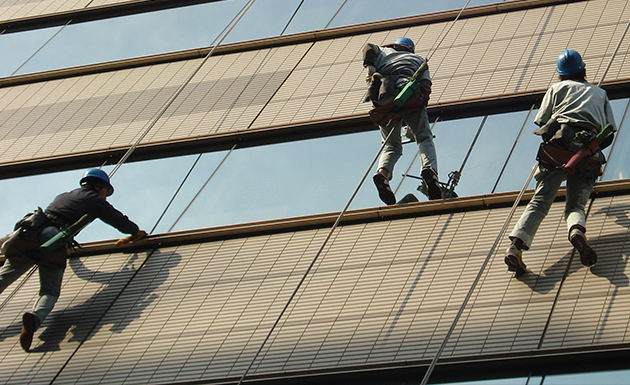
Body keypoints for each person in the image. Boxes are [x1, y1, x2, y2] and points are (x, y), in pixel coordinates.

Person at [0, 168, 147, 351]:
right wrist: (135, 231)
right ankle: (35, 318)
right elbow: (117, 219)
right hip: (53, 241)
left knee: (3, 279)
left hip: (28, 235)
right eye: (105, 191)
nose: (105, 196)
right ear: (97, 186)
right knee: (49, 291)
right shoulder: (94, 201)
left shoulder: (63, 195)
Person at [504, 49, 616, 276]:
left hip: (558, 147)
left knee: (540, 201)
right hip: (587, 151)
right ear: (583, 70)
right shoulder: (600, 93)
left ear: (561, 75)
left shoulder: (556, 89)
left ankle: (516, 247)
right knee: (575, 205)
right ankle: (576, 229)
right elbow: (609, 132)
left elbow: (542, 121)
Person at [363, 37, 442, 205]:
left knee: (391, 145)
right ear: (410, 49)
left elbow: (368, 47)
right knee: (424, 137)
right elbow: (426, 87)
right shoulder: (419, 60)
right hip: (407, 91)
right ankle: (429, 170)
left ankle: (382, 173)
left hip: (383, 94)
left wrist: (370, 69)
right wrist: (418, 109)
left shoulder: (383, 51)